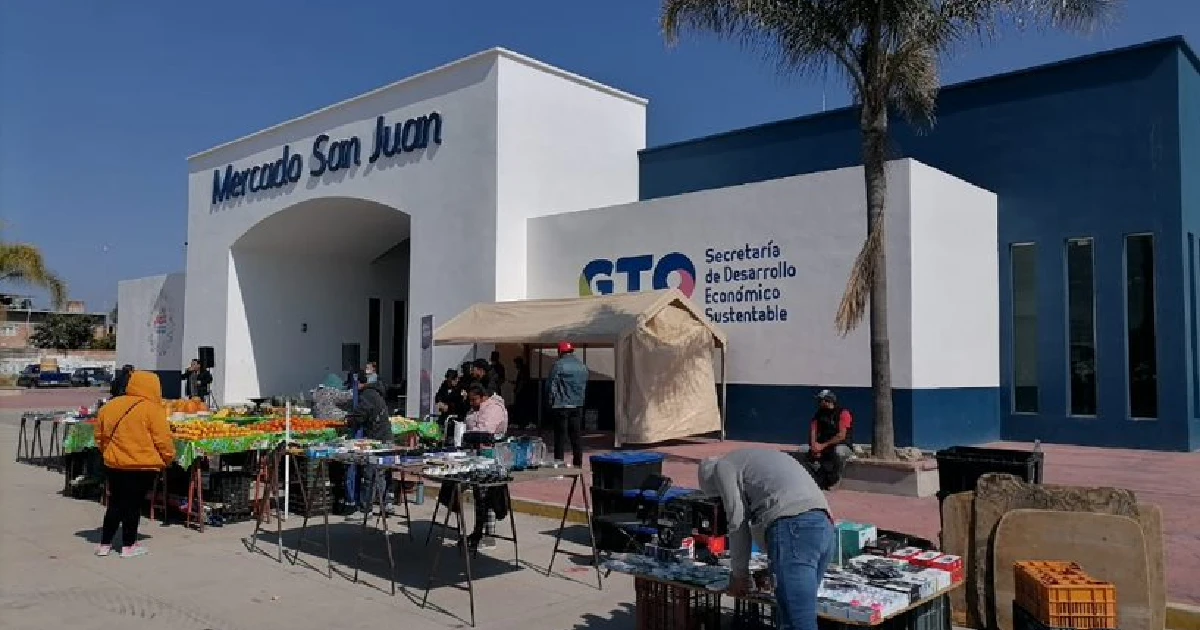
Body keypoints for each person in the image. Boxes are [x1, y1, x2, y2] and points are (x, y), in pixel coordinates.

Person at [698, 449, 835, 630]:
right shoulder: (751, 460)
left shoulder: (723, 467)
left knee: (797, 623)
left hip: (794, 528)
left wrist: (740, 575)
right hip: (823, 527)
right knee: (794, 613)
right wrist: (774, 567)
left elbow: (737, 522)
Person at [94, 370, 176, 558]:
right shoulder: (152, 409)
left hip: (114, 464)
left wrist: (109, 452)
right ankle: (128, 545)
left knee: (115, 503)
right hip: (141, 465)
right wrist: (168, 458)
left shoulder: (110, 406)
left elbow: (100, 436)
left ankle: (104, 544)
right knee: (133, 505)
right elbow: (162, 440)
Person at [344, 373, 394, 519]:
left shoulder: (367, 395)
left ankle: (365, 510)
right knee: (381, 473)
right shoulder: (375, 392)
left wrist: (348, 421)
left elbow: (361, 415)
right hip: (385, 437)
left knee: (370, 473)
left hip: (378, 439)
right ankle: (386, 503)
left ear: (358, 383)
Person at [797, 389, 854, 488]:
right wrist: (814, 445)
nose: (819, 402)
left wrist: (822, 446)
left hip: (840, 445)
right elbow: (813, 431)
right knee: (803, 449)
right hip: (822, 446)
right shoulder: (819, 414)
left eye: (821, 400)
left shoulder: (843, 413)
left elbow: (841, 436)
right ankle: (815, 478)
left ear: (828, 400)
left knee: (839, 451)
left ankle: (836, 480)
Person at [546, 341, 588, 467]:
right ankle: (578, 464)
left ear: (560, 352)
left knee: (560, 437)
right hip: (577, 405)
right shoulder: (582, 366)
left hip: (561, 405)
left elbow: (551, 384)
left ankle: (559, 465)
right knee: (576, 436)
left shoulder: (558, 365)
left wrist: (550, 401)